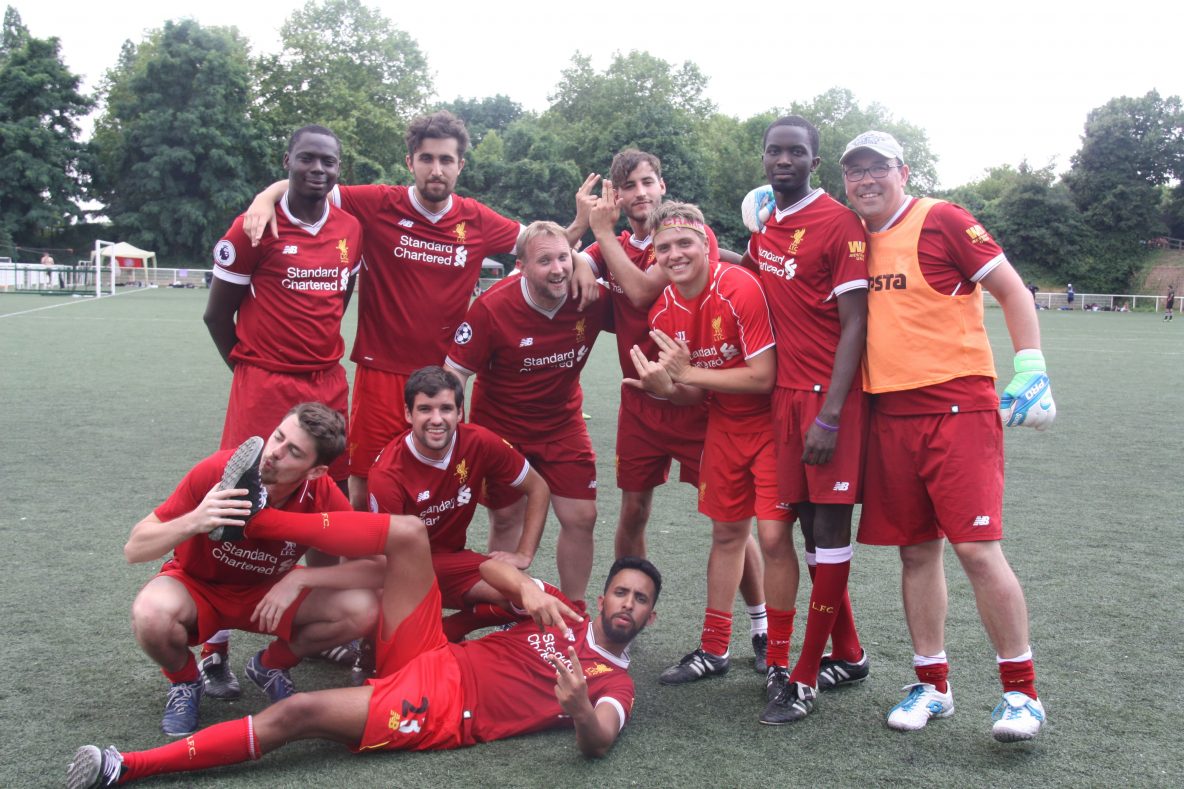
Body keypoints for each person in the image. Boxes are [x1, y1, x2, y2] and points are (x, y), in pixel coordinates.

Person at [67, 504, 660, 787]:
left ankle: (126, 767)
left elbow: (600, 741)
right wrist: (527, 589)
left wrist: (579, 708)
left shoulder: (616, 683)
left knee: (299, 713)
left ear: (649, 617)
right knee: (409, 534)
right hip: (432, 654)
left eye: (638, 600)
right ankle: (258, 519)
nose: (626, 604)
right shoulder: (563, 612)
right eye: (621, 592)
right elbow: (488, 572)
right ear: (603, 596)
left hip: (446, 708)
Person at [243, 111, 598, 511]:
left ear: (460, 165)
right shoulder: (378, 203)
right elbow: (313, 183)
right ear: (410, 162)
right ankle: (363, 552)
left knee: (436, 487)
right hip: (381, 373)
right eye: (427, 158)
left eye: (446, 160)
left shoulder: (477, 219)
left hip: (443, 377)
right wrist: (266, 196)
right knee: (364, 488)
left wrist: (580, 258)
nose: (436, 169)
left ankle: (424, 553)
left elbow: (541, 245)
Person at [841, 130, 1056, 742]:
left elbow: (1011, 288)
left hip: (957, 407)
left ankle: (1022, 695)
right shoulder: (853, 237)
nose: (866, 180)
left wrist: (1032, 367)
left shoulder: (942, 219)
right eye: (855, 171)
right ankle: (933, 685)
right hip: (889, 414)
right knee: (915, 552)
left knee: (977, 550)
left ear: (903, 172)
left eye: (878, 168)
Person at [576, 150, 770, 672]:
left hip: (700, 401)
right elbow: (575, 261)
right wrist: (581, 251)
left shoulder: (681, 234)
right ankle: (626, 617)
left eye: (648, 181)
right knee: (632, 510)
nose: (640, 193)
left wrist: (602, 234)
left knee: (731, 523)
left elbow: (642, 293)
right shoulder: (613, 244)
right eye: (628, 186)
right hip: (641, 403)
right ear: (616, 196)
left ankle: (760, 625)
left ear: (662, 185)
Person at [203, 124, 364, 693]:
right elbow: (216, 316)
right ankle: (214, 649)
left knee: (325, 507)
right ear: (288, 161)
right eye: (307, 159)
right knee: (235, 509)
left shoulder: (350, 229)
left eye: (329, 162)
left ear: (338, 169)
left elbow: (339, 300)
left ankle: (310, 631)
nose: (318, 169)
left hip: (327, 384)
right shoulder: (254, 226)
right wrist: (250, 371)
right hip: (263, 385)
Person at [123, 403, 379, 738]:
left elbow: (376, 567)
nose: (274, 453)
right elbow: (134, 548)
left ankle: (270, 665)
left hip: (268, 591)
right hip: (198, 586)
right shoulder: (219, 471)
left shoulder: (321, 494)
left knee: (364, 608)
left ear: (315, 471)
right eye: (278, 437)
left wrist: (304, 576)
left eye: (293, 452)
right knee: (150, 614)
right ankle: (185, 682)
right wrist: (196, 519)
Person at [739, 116, 870, 724]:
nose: (783, 160)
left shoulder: (840, 225)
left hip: (828, 401)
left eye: (796, 152)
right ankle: (851, 654)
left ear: (814, 163)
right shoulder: (768, 225)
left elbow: (855, 323)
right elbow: (752, 274)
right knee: (809, 534)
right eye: (774, 151)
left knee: (830, 531)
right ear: (764, 159)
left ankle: (805, 678)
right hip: (784, 399)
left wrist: (832, 415)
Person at [623, 201, 780, 690]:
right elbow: (692, 394)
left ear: (706, 244)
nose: (675, 254)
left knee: (774, 539)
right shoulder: (663, 310)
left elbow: (763, 377)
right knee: (727, 534)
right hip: (723, 428)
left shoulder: (739, 287)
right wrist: (666, 389)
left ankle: (776, 647)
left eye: (684, 243)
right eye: (664, 247)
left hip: (771, 426)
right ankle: (714, 648)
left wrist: (687, 374)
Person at [445, 221, 612, 603]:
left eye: (564, 258)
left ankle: (574, 612)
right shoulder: (492, 307)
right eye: (544, 261)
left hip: (562, 423)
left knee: (582, 517)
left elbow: (640, 308)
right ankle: (507, 612)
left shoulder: (589, 296)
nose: (558, 269)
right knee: (508, 518)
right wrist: (453, 433)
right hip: (501, 427)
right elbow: (454, 372)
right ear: (520, 265)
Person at [367, 365, 553, 640]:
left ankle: (452, 629)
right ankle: (399, 636)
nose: (436, 419)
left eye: (445, 409)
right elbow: (385, 560)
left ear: (459, 412)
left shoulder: (479, 441)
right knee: (392, 639)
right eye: (425, 409)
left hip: (453, 560)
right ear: (408, 413)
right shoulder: (387, 474)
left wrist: (524, 553)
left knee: (530, 597)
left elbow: (538, 487)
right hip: (401, 568)